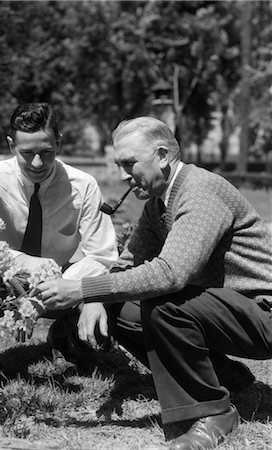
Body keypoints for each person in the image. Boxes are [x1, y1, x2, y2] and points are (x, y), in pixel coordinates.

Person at [37, 117, 272, 450]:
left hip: (263, 314)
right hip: (229, 311)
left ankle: (215, 412)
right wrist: (95, 299)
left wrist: (82, 289)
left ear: (162, 155)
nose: (121, 174)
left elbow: (171, 273)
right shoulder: (158, 204)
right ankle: (224, 377)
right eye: (119, 165)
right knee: (118, 304)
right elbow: (126, 264)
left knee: (164, 302)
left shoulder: (200, 191)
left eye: (129, 163)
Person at [0, 102, 118, 396]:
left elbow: (102, 255)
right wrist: (22, 262)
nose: (38, 163)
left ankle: (65, 337)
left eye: (47, 152)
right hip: (2, 280)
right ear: (11, 145)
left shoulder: (85, 185)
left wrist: (60, 285)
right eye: (27, 153)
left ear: (59, 143)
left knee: (106, 298)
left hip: (58, 281)